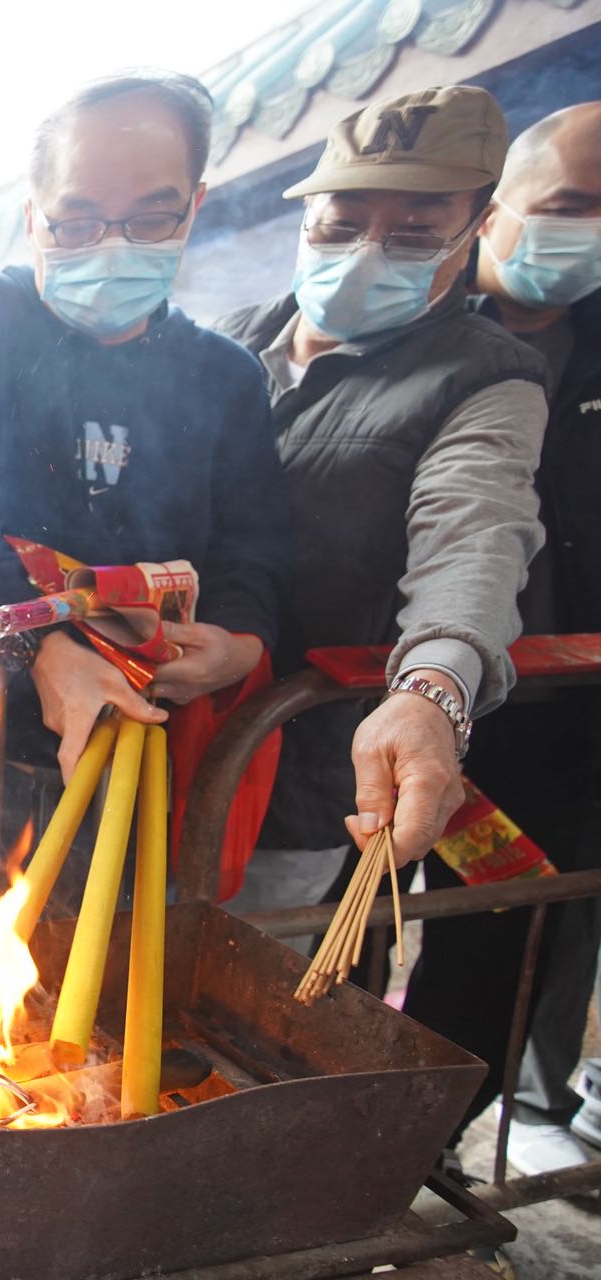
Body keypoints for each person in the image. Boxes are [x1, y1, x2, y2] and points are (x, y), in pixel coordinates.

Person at [0, 71, 293, 931]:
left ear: (195, 207)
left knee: (102, 983)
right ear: (34, 216)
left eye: (149, 219)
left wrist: (237, 644)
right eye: (78, 221)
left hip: (134, 747)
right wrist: (43, 649)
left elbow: (255, 554)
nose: (111, 246)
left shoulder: (225, 377)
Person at [214, 87, 550, 925]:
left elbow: (474, 533)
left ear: (477, 229)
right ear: (306, 218)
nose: (368, 251)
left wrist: (433, 691)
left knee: (216, 984)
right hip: (140, 748)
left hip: (293, 772)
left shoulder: (486, 377)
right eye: (342, 223)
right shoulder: (220, 346)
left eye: (415, 232)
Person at [398, 101, 601, 1176]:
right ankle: (301, 1141)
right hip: (380, 700)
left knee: (500, 935)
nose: (588, 231)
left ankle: (424, 1146)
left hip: (548, 714)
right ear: (494, 209)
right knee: (344, 922)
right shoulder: (407, 323)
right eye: (568, 205)